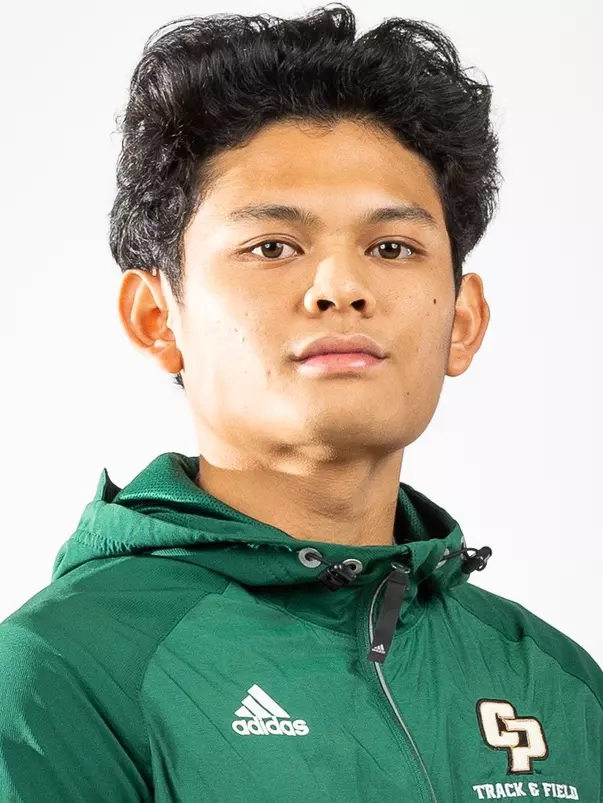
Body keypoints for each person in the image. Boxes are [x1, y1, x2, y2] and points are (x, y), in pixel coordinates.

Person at [1, 4, 601, 801]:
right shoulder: (62, 672)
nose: (340, 288)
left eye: (391, 247)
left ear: (461, 322)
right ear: (157, 318)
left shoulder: (554, 678)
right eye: (271, 247)